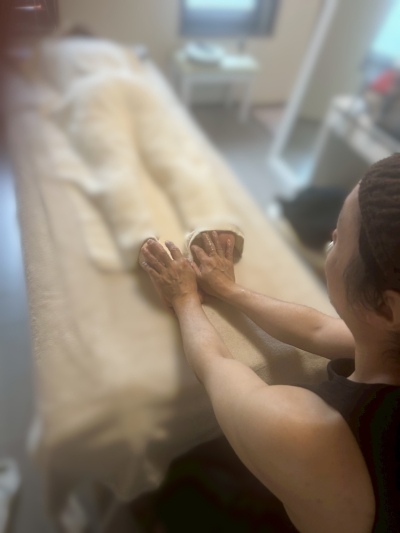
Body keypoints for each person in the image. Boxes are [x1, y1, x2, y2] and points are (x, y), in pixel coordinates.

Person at [140, 153, 400, 533]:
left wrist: (184, 299)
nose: (331, 235)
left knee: (180, 483)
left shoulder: (312, 432)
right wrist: (229, 290)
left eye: (341, 236)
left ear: (384, 307)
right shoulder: (389, 338)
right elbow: (318, 331)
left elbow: (216, 366)